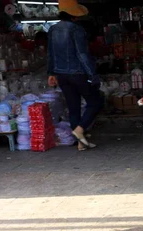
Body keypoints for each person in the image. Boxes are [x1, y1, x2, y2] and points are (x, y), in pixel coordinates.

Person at [47, 0, 102, 151]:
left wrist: (51, 73)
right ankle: (80, 130)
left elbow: (51, 54)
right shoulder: (76, 30)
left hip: (61, 74)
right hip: (78, 73)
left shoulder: (52, 29)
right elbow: (82, 54)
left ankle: (81, 143)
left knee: (73, 107)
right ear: (74, 15)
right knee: (96, 102)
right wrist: (93, 74)